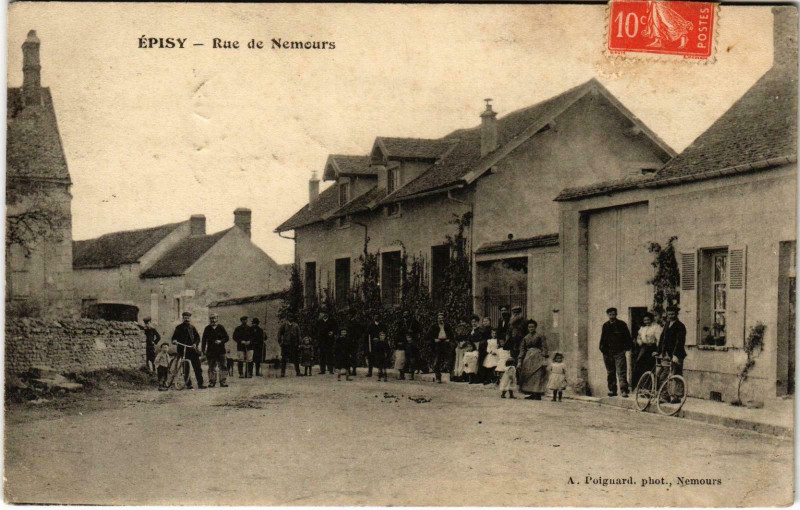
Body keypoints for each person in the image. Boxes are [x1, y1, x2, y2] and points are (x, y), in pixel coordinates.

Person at [599, 307, 634, 397]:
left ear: (616, 314)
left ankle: (624, 390)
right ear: (608, 315)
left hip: (619, 352)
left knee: (621, 371)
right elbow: (602, 339)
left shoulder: (622, 324)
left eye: (613, 314)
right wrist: (603, 349)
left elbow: (627, 337)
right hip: (607, 353)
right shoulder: (605, 325)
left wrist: (625, 348)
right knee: (610, 372)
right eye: (610, 314)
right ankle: (612, 390)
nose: (612, 316)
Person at [170, 311, 205, 389]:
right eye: (185, 318)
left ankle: (200, 384)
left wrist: (195, 344)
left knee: (197, 367)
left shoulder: (192, 327)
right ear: (183, 318)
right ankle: (188, 384)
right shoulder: (178, 328)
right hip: (183, 350)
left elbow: (197, 338)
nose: (187, 319)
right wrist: (174, 341)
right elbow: (173, 338)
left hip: (192, 350)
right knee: (186, 368)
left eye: (188, 318)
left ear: (190, 318)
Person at [517, 319, 549, 400]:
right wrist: (520, 360)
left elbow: (544, 347)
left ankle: (537, 393)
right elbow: (522, 349)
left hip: (538, 356)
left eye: (532, 327)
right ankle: (532, 393)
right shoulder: (525, 337)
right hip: (528, 357)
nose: (531, 328)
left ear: (535, 327)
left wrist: (544, 358)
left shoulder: (540, 336)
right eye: (529, 327)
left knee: (537, 375)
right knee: (529, 375)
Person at [632, 312, 662, 385]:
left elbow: (659, 339)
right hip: (644, 348)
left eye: (648, 320)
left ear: (651, 319)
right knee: (640, 365)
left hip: (652, 348)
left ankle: (652, 385)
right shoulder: (642, 328)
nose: (646, 321)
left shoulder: (656, 327)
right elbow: (639, 338)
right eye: (645, 320)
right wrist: (640, 342)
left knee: (651, 366)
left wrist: (658, 350)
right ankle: (643, 385)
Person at [657, 305, 687, 377]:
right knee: (662, 375)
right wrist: (658, 351)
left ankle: (676, 388)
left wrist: (675, 355)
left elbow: (680, 341)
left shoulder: (680, 326)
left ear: (676, 314)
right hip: (667, 354)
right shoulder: (667, 324)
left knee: (675, 374)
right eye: (669, 314)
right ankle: (665, 388)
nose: (670, 316)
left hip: (676, 354)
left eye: (672, 314)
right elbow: (662, 338)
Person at [202, 313, 229, 388]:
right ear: (210, 319)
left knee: (223, 366)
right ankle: (212, 382)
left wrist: (221, 341)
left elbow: (227, 338)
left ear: (217, 319)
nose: (213, 320)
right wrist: (203, 350)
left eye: (214, 318)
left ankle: (223, 381)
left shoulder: (221, 327)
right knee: (211, 367)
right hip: (211, 351)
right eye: (211, 318)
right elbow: (204, 339)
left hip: (221, 350)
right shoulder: (207, 328)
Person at [426, 312, 454, 383]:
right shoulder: (434, 326)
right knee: (436, 361)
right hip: (437, 345)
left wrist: (449, 339)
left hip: (446, 344)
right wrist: (434, 339)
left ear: (444, 319)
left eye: (442, 318)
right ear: (437, 319)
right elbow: (428, 336)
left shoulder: (447, 326)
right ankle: (438, 377)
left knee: (450, 359)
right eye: (439, 318)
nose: (440, 320)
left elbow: (452, 335)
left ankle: (452, 376)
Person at [315, 308, 338, 375]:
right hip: (322, 341)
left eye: (325, 313)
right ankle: (322, 370)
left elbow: (336, 328)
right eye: (323, 313)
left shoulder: (332, 321)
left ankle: (331, 370)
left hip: (329, 341)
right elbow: (316, 331)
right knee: (322, 355)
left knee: (330, 355)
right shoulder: (319, 322)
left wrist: (333, 332)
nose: (324, 315)